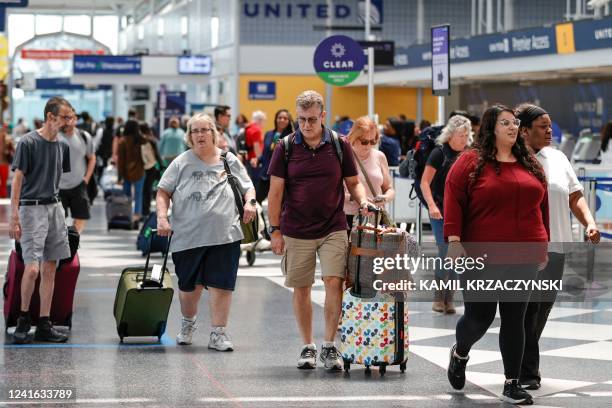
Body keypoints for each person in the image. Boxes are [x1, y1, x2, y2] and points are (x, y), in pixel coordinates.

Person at [444, 105, 549, 405]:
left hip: (525, 253)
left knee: (515, 318)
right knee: (480, 317)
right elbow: (453, 200)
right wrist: (454, 240)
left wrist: (544, 244)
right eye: (505, 122)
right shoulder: (470, 161)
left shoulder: (530, 163)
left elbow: (542, 209)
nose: (513, 127)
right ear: (491, 127)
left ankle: (512, 383)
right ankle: (460, 350)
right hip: (481, 254)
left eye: (515, 123)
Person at [267, 90, 373, 370]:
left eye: (312, 119)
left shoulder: (339, 144)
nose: (306, 125)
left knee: (334, 281)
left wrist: (362, 200)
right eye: (301, 119)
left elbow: (354, 182)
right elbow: (275, 193)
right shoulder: (285, 147)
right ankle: (307, 346)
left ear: (322, 116)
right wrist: (274, 230)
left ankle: (329, 346)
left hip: (333, 227)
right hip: (296, 228)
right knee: (300, 288)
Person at [516, 103, 600, 390]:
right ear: (524, 131)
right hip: (522, 249)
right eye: (543, 126)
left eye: (550, 125)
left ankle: (521, 358)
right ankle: (527, 372)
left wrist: (589, 221)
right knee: (526, 310)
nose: (550, 130)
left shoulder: (558, 158)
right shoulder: (510, 160)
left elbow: (575, 196)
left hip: (556, 247)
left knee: (542, 309)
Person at [156, 113, 256, 350]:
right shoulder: (181, 162)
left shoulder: (228, 159)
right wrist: (162, 217)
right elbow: (163, 192)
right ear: (189, 136)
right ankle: (188, 323)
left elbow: (247, 187)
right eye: (195, 131)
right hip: (187, 236)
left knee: (222, 285)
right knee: (189, 287)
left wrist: (250, 203)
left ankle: (218, 333)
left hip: (225, 234)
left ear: (214, 133)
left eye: (205, 130)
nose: (200, 135)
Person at [9, 96, 73, 344]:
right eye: (65, 117)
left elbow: (57, 181)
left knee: (50, 267)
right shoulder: (28, 142)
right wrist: (14, 216)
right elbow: (18, 180)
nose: (69, 121)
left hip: (54, 207)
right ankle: (24, 318)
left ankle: (44, 323)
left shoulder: (62, 146)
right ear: (50, 117)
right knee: (32, 268)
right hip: (31, 209)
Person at [420, 115, 471, 314]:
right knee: (444, 253)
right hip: (440, 211)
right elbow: (425, 182)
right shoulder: (439, 153)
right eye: (461, 135)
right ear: (450, 135)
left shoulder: (467, 154)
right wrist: (432, 206)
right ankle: (438, 297)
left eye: (467, 135)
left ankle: (449, 299)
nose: (464, 139)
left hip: (461, 212)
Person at [344, 116, 395, 231]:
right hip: (348, 219)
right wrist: (359, 199)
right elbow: (332, 193)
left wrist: (385, 198)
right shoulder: (343, 157)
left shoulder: (379, 156)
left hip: (375, 219)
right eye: (364, 142)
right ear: (354, 138)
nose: (368, 146)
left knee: (374, 249)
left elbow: (390, 189)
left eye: (373, 141)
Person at [58, 109, 96, 234]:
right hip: (57, 187)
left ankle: (72, 243)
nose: (66, 121)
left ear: (75, 119)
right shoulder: (53, 137)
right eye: (63, 118)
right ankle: (61, 245)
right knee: (58, 220)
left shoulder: (84, 137)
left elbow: (92, 158)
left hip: (79, 184)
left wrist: (87, 178)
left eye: (70, 118)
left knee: (81, 218)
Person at [254, 109, 294, 204]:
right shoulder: (269, 134)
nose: (282, 120)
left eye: (285, 118)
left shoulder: (292, 137)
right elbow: (265, 154)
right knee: (255, 203)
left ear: (289, 121)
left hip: (282, 177)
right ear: (276, 119)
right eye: (280, 117)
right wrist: (257, 160)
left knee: (280, 205)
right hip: (265, 175)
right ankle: (260, 219)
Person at [117, 120, 146, 226]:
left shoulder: (123, 141)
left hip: (126, 172)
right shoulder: (142, 140)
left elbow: (120, 161)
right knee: (139, 194)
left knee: (127, 195)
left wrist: (120, 176)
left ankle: (127, 213)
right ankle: (137, 215)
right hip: (140, 170)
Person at [139, 122, 162, 218]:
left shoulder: (139, 141)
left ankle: (141, 210)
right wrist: (161, 165)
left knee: (142, 190)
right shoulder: (151, 140)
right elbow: (156, 154)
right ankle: (146, 210)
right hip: (151, 167)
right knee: (147, 190)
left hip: (141, 168)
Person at [0, 125, 15, 198]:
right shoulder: (7, 139)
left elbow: (14, 151)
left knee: (4, 182)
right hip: (3, 163)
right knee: (3, 182)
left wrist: (8, 150)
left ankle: (3, 195)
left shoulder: (8, 140)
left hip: (4, 163)